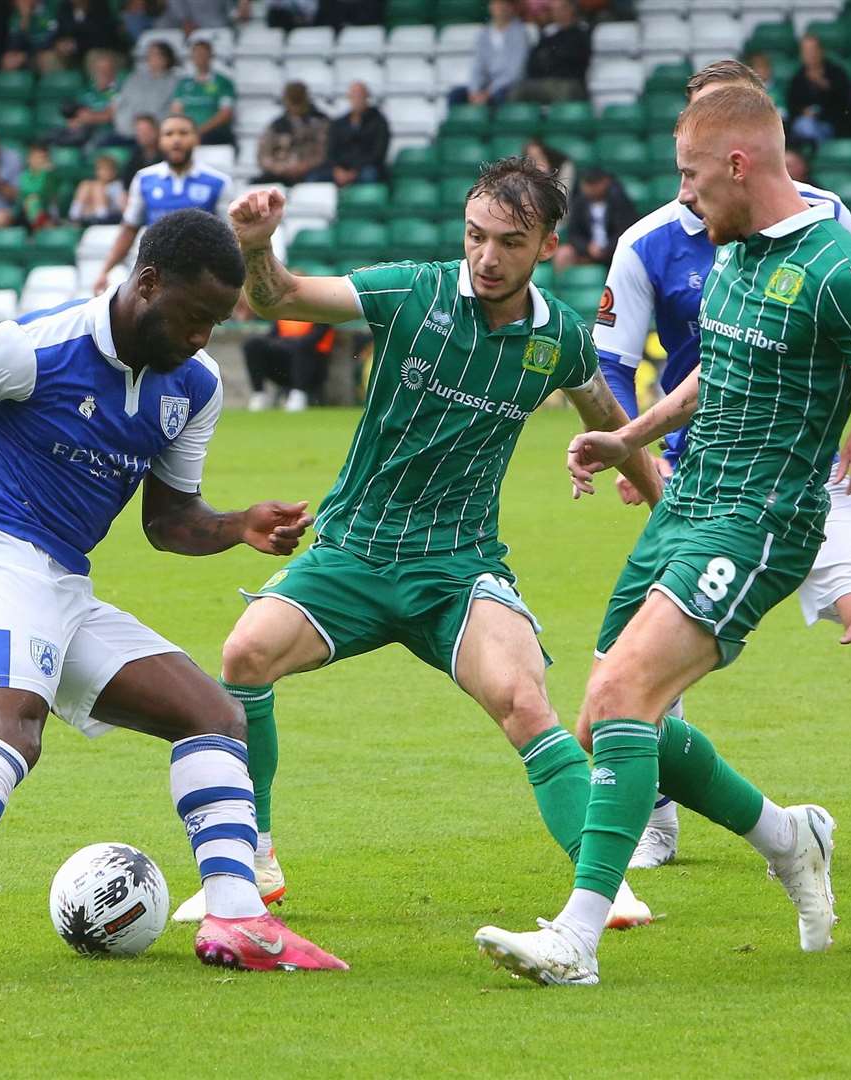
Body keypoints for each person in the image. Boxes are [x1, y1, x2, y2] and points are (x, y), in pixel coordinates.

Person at [477, 82, 851, 987]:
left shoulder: (841, 272)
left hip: (760, 518)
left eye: (691, 175)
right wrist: (629, 437)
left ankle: (575, 939)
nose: (683, 195)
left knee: (618, 697)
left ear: (738, 164)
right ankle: (789, 834)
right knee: (612, 717)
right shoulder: (733, 253)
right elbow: (715, 371)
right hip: (687, 506)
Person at [0, 209, 347, 987]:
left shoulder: (192, 388)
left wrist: (236, 526)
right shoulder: (31, 347)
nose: (202, 337)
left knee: (214, 718)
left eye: (217, 323)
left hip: (59, 581)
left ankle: (237, 916)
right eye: (193, 317)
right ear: (147, 282)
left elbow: (168, 521)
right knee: (8, 728)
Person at [170, 160, 664, 930]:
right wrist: (260, 249)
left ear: (547, 247)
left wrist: (650, 485)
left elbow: (604, 410)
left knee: (524, 700)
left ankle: (600, 884)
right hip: (355, 550)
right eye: (475, 235)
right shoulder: (414, 291)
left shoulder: (558, 338)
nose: (487, 256)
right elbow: (283, 296)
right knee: (244, 655)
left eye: (509, 241)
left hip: (457, 566)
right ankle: (253, 860)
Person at [589, 59, 851, 877]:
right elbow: (616, 363)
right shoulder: (651, 241)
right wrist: (629, 448)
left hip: (808, 480)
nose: (689, 179)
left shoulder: (822, 226)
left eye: (700, 156)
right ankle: (658, 825)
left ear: (743, 145)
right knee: (630, 685)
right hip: (697, 480)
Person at [92, 113, 231, 293]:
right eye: (169, 134)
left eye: (183, 133)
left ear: (196, 139)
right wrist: (105, 271)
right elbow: (129, 229)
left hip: (201, 274)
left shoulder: (218, 182)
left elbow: (229, 235)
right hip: (155, 275)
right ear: (160, 140)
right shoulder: (144, 179)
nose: (176, 140)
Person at [553, 167, 637, 272]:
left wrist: (606, 249)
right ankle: (563, 287)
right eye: (587, 184)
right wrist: (588, 247)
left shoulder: (619, 201)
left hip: (614, 251)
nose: (589, 188)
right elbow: (574, 234)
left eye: (593, 184)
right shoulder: (580, 203)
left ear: (605, 183)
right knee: (563, 253)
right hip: (587, 251)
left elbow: (625, 231)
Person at [244, 317, 335, 412]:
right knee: (253, 345)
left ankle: (298, 396)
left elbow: (312, 340)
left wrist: (288, 342)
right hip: (283, 369)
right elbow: (271, 337)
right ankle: (259, 394)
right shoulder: (284, 313)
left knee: (301, 347)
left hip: (312, 369)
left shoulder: (321, 315)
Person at [449, 0, 528, 108]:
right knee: (455, 95)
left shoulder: (520, 33)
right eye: (495, 3)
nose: (499, 7)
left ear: (510, 7)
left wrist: (489, 92)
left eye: (502, 4)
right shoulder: (484, 34)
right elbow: (477, 66)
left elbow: (514, 73)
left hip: (507, 87)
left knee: (499, 96)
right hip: (486, 87)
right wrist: (474, 91)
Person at [510, 0, 590, 104]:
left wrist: (548, 59)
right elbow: (532, 62)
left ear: (571, 9)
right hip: (543, 82)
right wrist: (551, 59)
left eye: (560, 9)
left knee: (565, 91)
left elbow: (573, 61)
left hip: (569, 83)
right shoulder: (548, 35)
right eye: (554, 10)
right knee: (517, 91)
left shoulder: (581, 33)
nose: (557, 13)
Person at [253, 81, 329, 186]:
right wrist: (279, 168)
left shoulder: (320, 123)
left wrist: (304, 166)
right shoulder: (276, 126)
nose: (295, 106)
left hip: (310, 173)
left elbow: (325, 153)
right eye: (293, 101)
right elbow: (263, 155)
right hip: (280, 173)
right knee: (257, 185)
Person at [786, 32, 851, 146]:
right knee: (802, 125)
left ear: (821, 51)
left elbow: (845, 103)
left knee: (805, 127)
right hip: (805, 125)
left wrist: (824, 85)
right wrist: (803, 111)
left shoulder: (836, 73)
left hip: (834, 126)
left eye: (813, 50)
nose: (810, 55)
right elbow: (792, 106)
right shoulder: (797, 78)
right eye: (806, 51)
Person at [171, 37, 236, 147]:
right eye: (196, 54)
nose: (199, 57)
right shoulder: (184, 83)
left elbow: (226, 113)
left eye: (203, 53)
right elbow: (176, 110)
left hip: (214, 133)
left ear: (211, 56)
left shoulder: (223, 82)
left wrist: (200, 130)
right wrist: (187, 130)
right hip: (188, 132)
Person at [111, 42, 180, 143]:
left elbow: (173, 111)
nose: (151, 58)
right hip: (127, 131)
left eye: (156, 54)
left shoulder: (176, 81)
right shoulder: (134, 78)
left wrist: (150, 129)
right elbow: (120, 104)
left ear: (167, 58)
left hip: (157, 135)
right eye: (149, 54)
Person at [325, 81, 390, 187]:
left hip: (366, 168)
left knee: (369, 175)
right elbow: (331, 152)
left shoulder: (379, 122)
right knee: (314, 177)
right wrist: (337, 170)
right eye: (353, 96)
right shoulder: (339, 123)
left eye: (360, 95)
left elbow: (378, 154)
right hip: (341, 168)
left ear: (367, 97)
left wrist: (353, 172)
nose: (357, 99)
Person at [48, 0, 122, 69]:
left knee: (92, 56)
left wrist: (76, 45)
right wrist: (59, 44)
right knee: (49, 58)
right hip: (73, 54)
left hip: (101, 51)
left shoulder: (100, 6)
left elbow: (102, 38)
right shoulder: (65, 7)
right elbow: (57, 32)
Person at [1, 0, 60, 72]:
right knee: (8, 61)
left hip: (52, 53)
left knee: (47, 58)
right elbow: (13, 46)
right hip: (28, 56)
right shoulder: (17, 16)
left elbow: (50, 39)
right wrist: (25, 19)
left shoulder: (52, 6)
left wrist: (25, 56)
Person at [69, 152, 126, 225]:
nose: (106, 173)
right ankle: (74, 217)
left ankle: (100, 218)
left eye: (108, 169)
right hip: (90, 216)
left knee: (98, 188)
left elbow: (120, 207)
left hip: (109, 218)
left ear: (115, 171)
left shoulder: (118, 185)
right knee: (85, 185)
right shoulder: (90, 185)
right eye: (102, 169)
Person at [14, 142, 60, 230]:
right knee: (32, 201)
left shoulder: (51, 175)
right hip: (24, 214)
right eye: (38, 157)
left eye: (44, 158)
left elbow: (48, 193)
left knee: (36, 202)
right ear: (29, 159)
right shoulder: (24, 176)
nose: (41, 161)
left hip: (48, 211)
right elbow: (35, 190)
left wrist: (46, 173)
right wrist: (44, 173)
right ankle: (39, 230)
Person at [120, 113, 161, 184]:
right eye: (139, 130)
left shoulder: (167, 153)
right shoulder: (135, 154)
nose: (143, 134)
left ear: (156, 131)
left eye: (147, 130)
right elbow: (127, 182)